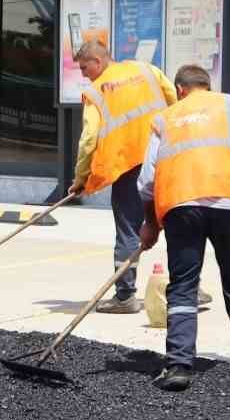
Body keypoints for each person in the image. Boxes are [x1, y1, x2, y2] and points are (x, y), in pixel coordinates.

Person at [137, 64, 230, 392]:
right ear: (208, 86)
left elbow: (147, 182)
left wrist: (150, 224)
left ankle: (179, 365)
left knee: (183, 284)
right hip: (227, 203)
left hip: (181, 207)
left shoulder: (165, 118)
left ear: (180, 89)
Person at [67, 39, 176, 314]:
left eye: (84, 68)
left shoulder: (97, 92)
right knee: (177, 222)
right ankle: (188, 288)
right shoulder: (147, 70)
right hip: (163, 157)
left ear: (98, 61)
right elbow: (172, 97)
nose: (83, 74)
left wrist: (81, 178)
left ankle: (125, 296)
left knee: (128, 229)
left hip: (129, 167)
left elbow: (89, 139)